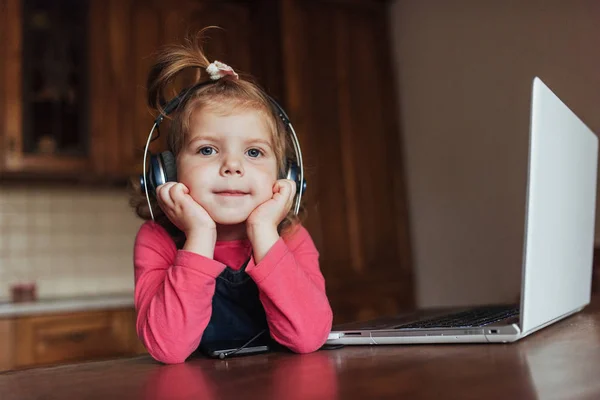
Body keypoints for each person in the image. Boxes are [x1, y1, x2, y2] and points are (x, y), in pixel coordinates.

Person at [129, 30, 333, 364]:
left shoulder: (290, 238)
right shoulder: (157, 240)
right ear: (168, 173)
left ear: (285, 178)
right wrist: (200, 236)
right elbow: (168, 348)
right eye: (207, 149)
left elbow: (308, 337)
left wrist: (264, 232)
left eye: (254, 152)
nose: (232, 166)